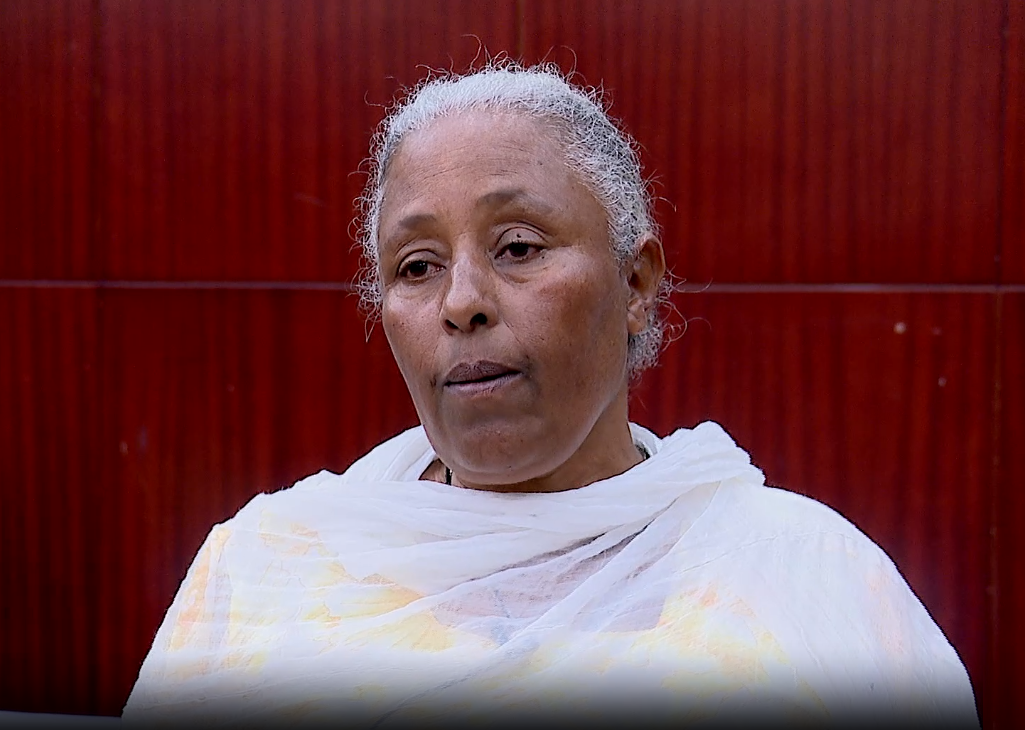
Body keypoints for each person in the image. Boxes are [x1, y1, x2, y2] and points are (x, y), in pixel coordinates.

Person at [123, 62, 978, 728]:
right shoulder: (268, 569)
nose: (461, 301)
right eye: (416, 266)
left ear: (635, 283)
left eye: (518, 247)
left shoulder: (805, 578)